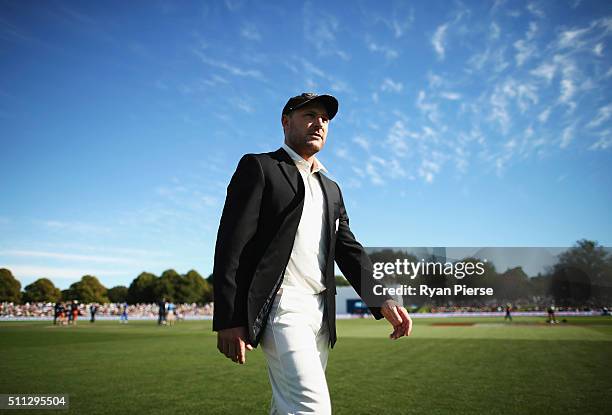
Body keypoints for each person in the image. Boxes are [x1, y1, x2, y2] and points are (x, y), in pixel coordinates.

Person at [213, 92, 413, 414]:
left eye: (324, 118)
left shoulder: (331, 187)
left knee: (287, 408)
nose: (319, 122)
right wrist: (228, 318)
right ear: (285, 121)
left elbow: (348, 249)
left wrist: (383, 297)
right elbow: (230, 245)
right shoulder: (260, 167)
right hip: (281, 306)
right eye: (309, 115)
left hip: (321, 313)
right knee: (312, 408)